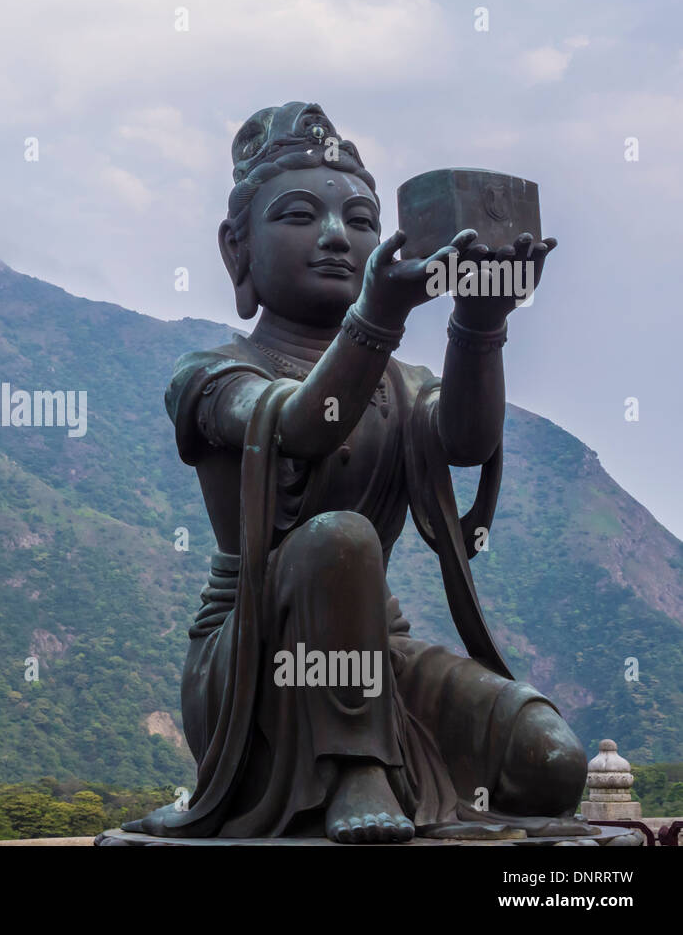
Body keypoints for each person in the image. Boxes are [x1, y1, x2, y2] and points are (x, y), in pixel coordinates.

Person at [126, 102, 590, 843]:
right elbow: (306, 424)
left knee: (552, 763)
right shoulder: (214, 375)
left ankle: (385, 760)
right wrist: (376, 316)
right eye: (301, 216)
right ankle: (352, 769)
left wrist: (480, 321)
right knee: (335, 537)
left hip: (383, 651)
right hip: (255, 664)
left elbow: (466, 441)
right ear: (236, 252)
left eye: (363, 221)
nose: (338, 238)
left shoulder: (402, 384)